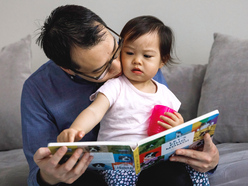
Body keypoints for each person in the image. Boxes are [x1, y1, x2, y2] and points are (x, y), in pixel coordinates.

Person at [21, 4, 219, 186]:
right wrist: (49, 176)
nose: (120, 67)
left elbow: (166, 128)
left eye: (117, 51)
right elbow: (37, 175)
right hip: (89, 174)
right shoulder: (37, 90)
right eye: (102, 69)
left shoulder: (138, 61)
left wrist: (203, 155)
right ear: (68, 70)